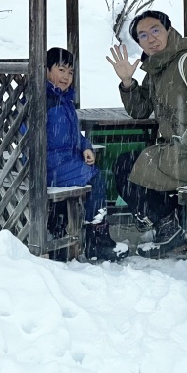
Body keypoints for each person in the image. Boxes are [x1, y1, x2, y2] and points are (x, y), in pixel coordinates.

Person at [105, 10, 187, 258]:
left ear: (169, 29)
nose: (150, 39)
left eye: (155, 30)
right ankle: (174, 223)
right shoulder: (157, 68)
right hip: (176, 153)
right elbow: (141, 110)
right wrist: (127, 82)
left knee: (132, 166)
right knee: (128, 164)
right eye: (142, 36)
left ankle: (172, 226)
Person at [45, 47, 127, 261]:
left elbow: (74, 135)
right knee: (94, 176)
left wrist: (85, 146)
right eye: (61, 69)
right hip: (47, 165)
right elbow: (32, 140)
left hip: (64, 163)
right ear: (45, 70)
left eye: (70, 72)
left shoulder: (64, 101)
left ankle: (68, 233)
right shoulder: (42, 101)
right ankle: (97, 240)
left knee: (93, 171)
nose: (66, 77)